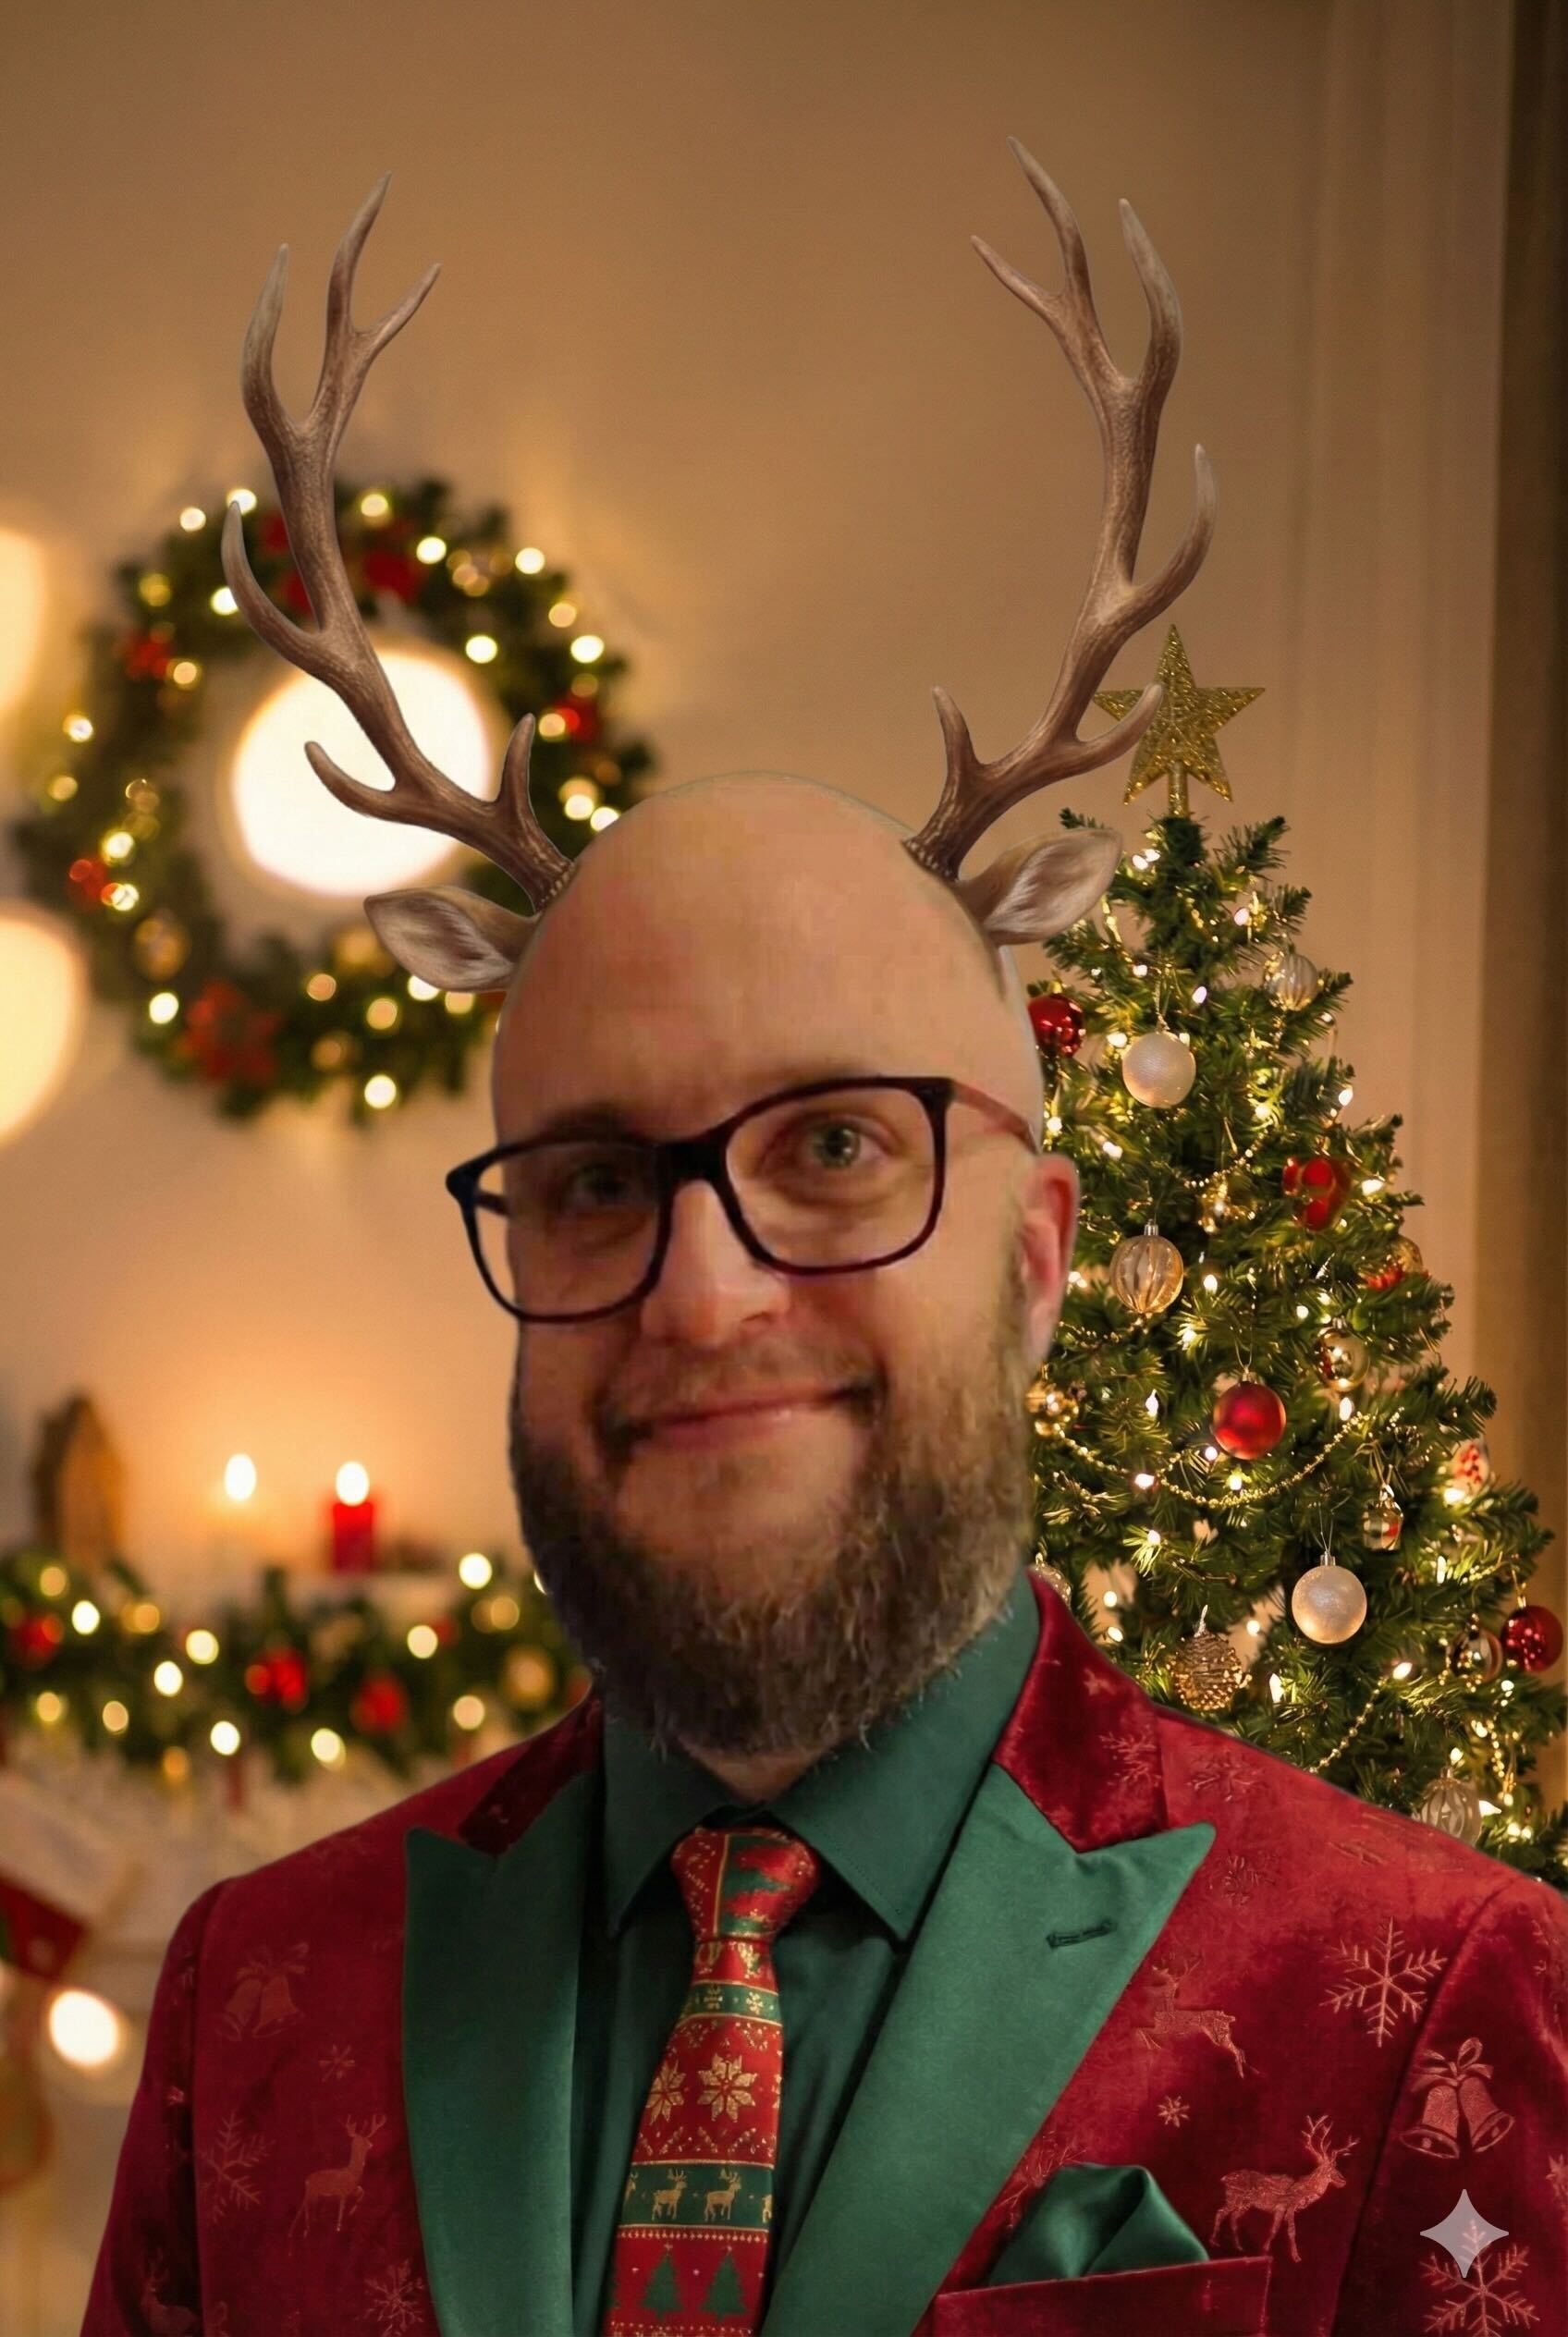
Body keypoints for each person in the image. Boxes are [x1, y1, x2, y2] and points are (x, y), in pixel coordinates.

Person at [84, 158, 1567, 2337]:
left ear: (1036, 1254)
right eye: (596, 1179)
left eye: (838, 1147)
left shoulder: (1424, 1993)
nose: (702, 1294)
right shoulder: (256, 2002)